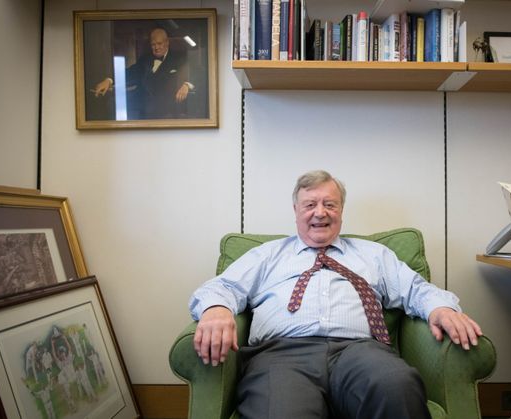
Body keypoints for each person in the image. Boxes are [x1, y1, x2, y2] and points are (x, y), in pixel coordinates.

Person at [189, 170, 483, 419]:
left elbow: (416, 290)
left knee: (397, 385)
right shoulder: (267, 255)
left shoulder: (374, 255)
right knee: (279, 409)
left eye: (330, 204)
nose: (320, 212)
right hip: (281, 355)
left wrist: (441, 309)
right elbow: (220, 287)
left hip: (361, 353)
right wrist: (217, 309)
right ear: (295, 211)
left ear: (341, 210)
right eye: (310, 205)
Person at [93, 27, 193, 119]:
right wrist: (109, 80)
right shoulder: (145, 59)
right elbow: (130, 73)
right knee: (112, 103)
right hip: (143, 111)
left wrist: (187, 85)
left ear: (167, 42)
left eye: (159, 43)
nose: (156, 47)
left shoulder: (179, 59)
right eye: (153, 44)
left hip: (166, 114)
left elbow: (193, 75)